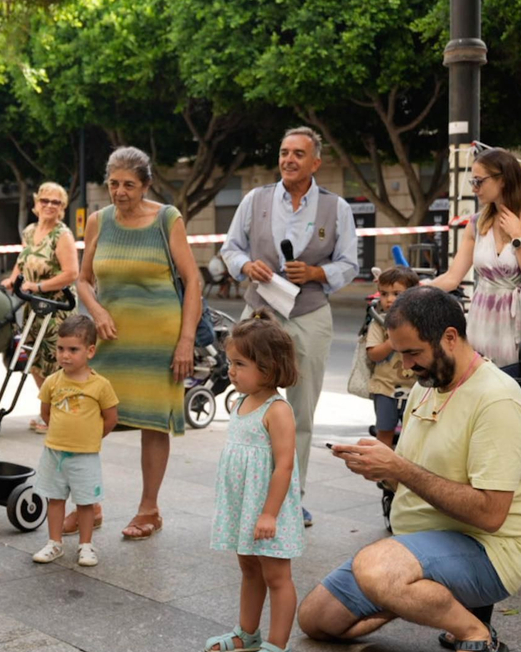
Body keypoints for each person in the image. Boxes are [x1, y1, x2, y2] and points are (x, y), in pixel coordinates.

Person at [297, 287, 521, 652]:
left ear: (449, 337)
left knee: (376, 568)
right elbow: (416, 474)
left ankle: (478, 637)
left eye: (412, 353)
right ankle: (408, 595)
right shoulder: (429, 384)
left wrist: (400, 468)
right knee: (315, 620)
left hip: (488, 551)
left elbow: (492, 514)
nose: (405, 367)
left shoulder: (497, 398)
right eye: (400, 355)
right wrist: (378, 465)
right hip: (415, 546)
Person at [221, 127, 359, 527]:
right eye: (284, 152)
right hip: (260, 312)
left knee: (300, 412)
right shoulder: (255, 199)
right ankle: (249, 489)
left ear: (316, 162)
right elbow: (230, 248)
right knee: (251, 402)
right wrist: (246, 265)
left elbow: (350, 263)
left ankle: (289, 499)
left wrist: (317, 271)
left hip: (309, 311)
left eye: (299, 153)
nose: (289, 159)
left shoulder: (337, 209)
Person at [77, 146, 203, 541]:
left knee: (153, 425)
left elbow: (193, 281)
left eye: (129, 184)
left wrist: (186, 341)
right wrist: (96, 311)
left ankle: (149, 510)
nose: (119, 192)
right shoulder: (98, 221)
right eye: (113, 183)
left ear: (146, 184)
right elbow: (82, 279)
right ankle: (89, 505)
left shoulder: (167, 219)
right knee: (89, 420)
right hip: (109, 339)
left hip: (160, 340)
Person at [203, 316, 304, 652]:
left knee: (276, 575)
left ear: (268, 367)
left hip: (267, 509)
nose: (231, 371)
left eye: (240, 364)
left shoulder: (276, 410)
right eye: (230, 363)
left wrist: (269, 514)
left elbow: (284, 467)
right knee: (248, 568)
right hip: (244, 506)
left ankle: (278, 648)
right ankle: (248, 632)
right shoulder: (241, 402)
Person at [429, 147, 521, 365]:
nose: (475, 189)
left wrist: (518, 237)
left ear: (503, 179)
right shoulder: (478, 223)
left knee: (516, 387)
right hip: (481, 322)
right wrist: (414, 293)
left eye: (479, 181)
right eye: (472, 182)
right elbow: (452, 278)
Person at [32, 316, 119, 567]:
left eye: (73, 349)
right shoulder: (52, 382)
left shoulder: (100, 385)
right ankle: (54, 542)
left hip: (85, 455)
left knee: (85, 501)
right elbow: (46, 412)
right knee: (55, 498)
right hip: (54, 454)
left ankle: (86, 545)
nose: (65, 355)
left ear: (90, 351)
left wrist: (91, 437)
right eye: (60, 349)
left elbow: (111, 418)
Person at [1, 180, 79, 430]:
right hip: (32, 306)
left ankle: (60, 414)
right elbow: (23, 260)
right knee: (33, 360)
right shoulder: (30, 231)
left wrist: (40, 287)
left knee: (56, 361)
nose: (49, 205)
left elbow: (71, 273)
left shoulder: (62, 235)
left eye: (55, 202)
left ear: (62, 207)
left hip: (56, 308)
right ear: (36, 204)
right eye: (44, 200)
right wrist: (14, 279)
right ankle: (49, 410)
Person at [366, 266, 420, 447]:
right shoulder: (379, 323)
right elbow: (373, 354)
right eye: (384, 294)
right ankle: (383, 472)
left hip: (416, 388)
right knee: (384, 432)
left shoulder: (420, 322)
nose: (389, 300)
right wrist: (392, 342)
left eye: (397, 294)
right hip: (385, 388)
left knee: (414, 434)